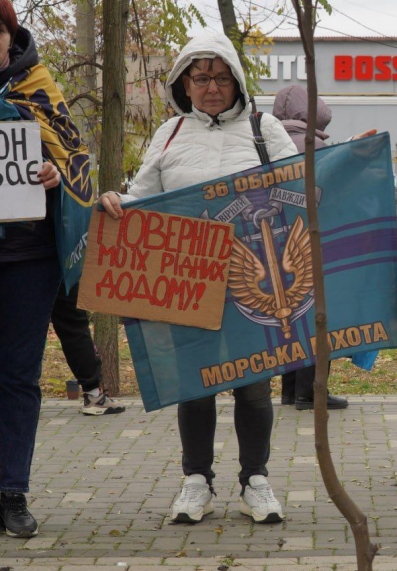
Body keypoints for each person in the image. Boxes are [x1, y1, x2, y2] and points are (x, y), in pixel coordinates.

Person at [99, 31, 298, 525]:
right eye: (200, 77)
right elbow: (143, 199)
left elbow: (301, 187)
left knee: (253, 382)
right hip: (189, 277)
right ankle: (196, 481)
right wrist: (116, 203)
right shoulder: (168, 135)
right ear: (184, 84)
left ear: (236, 79)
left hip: (254, 275)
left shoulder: (264, 128)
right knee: (196, 382)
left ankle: (256, 479)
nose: (211, 86)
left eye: (221, 76)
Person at [0, 0, 91, 539]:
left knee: (19, 377)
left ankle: (14, 493)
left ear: (12, 39)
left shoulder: (39, 89)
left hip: (28, 260)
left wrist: (54, 175)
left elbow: (76, 156)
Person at [273, 84, 376, 411]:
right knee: (318, 317)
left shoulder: (273, 145)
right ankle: (311, 392)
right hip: (315, 243)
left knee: (292, 316)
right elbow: (331, 189)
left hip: (282, 243)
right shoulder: (311, 146)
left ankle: (290, 391)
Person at [51, 283, 125, 415]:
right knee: (73, 324)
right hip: (54, 270)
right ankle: (94, 394)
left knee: (22, 331)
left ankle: (19, 397)